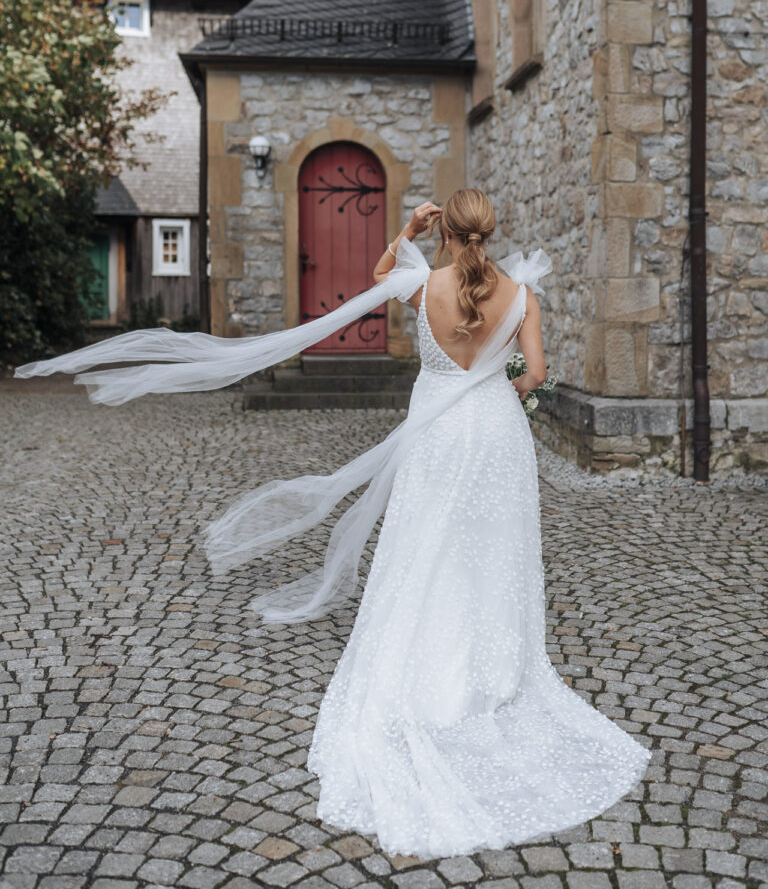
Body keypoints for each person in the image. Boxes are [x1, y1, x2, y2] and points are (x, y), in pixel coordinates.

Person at [16, 186, 651, 859]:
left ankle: (429, 663)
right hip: (494, 434)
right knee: (492, 552)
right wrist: (495, 382)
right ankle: (491, 675)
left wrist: (406, 226)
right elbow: (539, 375)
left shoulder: (422, 285)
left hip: (436, 435)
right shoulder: (524, 297)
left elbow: (377, 278)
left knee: (423, 546)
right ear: (492, 233)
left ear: (446, 233)